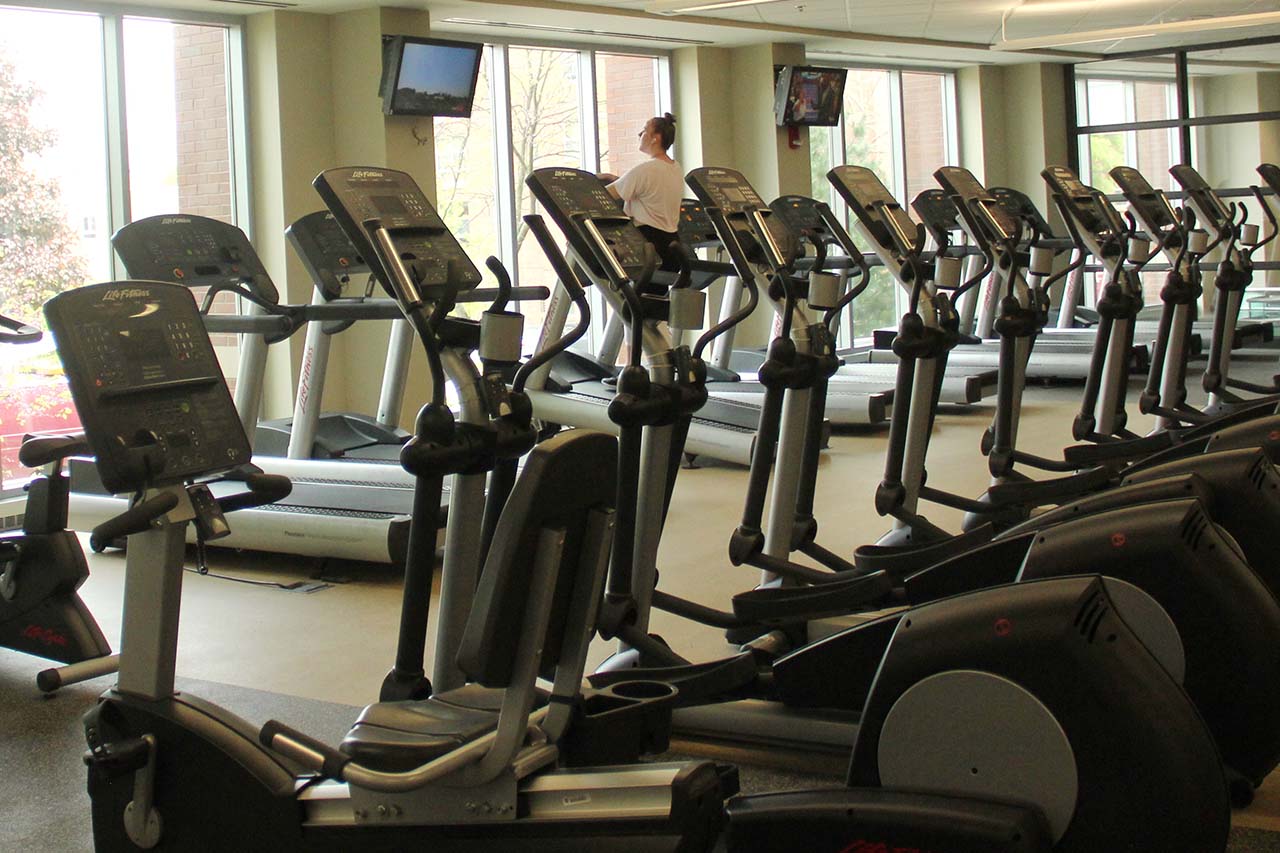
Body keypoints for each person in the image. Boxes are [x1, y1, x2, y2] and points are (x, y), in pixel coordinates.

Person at [602, 113, 684, 271]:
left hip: (649, 245)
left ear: (656, 138)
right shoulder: (675, 167)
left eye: (645, 130)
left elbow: (605, 195)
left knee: (640, 296)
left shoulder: (646, 169)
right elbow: (650, 187)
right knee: (658, 296)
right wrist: (615, 178)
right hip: (671, 246)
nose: (640, 134)